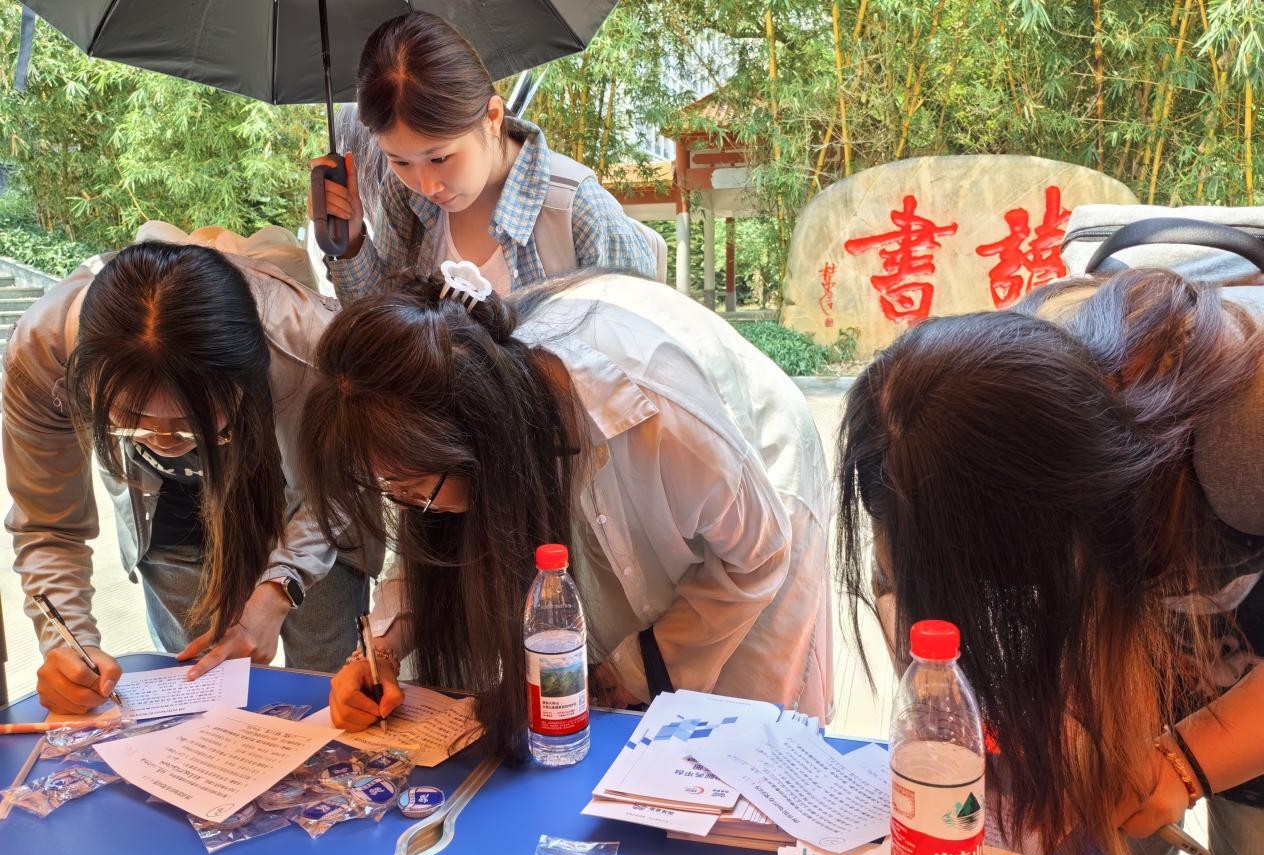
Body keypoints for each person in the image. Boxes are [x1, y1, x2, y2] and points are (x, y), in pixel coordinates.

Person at [836, 268, 1264, 855]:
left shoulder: (1246, 435)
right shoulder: (975, 402)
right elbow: (905, 598)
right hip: (1137, 653)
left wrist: (1184, 764)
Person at [298, 265, 833, 759]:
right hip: (633, 472)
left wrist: (634, 670)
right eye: (394, 491)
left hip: (757, 483)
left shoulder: (653, 410)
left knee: (734, 741)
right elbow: (436, 543)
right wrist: (381, 652)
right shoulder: (468, 409)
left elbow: (758, 558)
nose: (416, 506)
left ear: (474, 443)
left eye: (413, 489)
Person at [4, 225, 381, 713]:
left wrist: (278, 589)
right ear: (86, 383)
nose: (164, 441)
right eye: (132, 421)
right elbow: (48, 526)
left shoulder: (307, 346)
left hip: (301, 501)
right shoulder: (42, 357)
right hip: (169, 512)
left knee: (329, 687)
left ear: (245, 384)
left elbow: (338, 483)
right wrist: (68, 644)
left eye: (192, 425)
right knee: (196, 692)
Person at [311, 11, 658, 302]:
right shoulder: (404, 195)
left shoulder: (579, 213)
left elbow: (643, 345)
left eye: (439, 158)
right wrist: (350, 240)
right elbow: (383, 322)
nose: (426, 185)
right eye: (400, 161)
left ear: (492, 117)